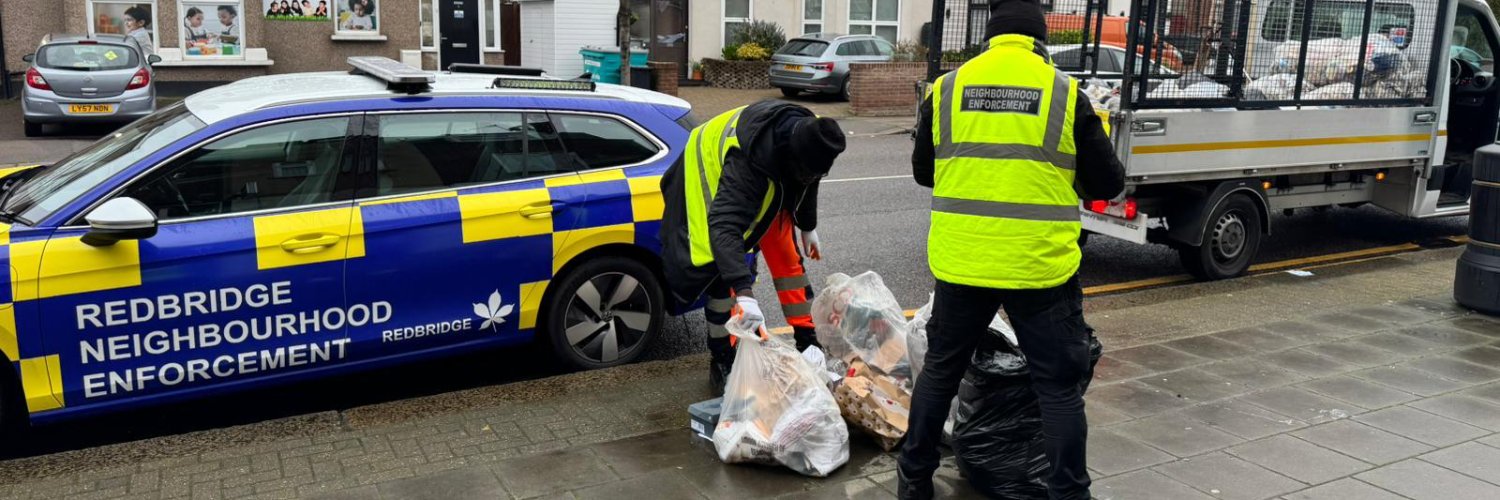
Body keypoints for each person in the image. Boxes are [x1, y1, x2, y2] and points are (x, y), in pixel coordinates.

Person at [899, 1, 1125, 499]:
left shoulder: (947, 89)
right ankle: (1070, 494)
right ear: (1040, 40)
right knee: (1058, 391)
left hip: (963, 261)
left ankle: (913, 485)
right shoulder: (1066, 94)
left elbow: (923, 172)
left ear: (989, 38)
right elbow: (1107, 182)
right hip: (1039, 267)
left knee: (940, 374)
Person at [658, 100, 846, 394]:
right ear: (790, 159)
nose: (809, 177)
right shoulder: (748, 162)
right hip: (706, 179)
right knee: (723, 276)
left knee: (789, 262)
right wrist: (743, 292)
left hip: (768, 180)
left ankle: (807, 340)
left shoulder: (811, 134)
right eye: (805, 172)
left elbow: (810, 181)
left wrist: (807, 225)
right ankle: (722, 356)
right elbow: (724, 226)